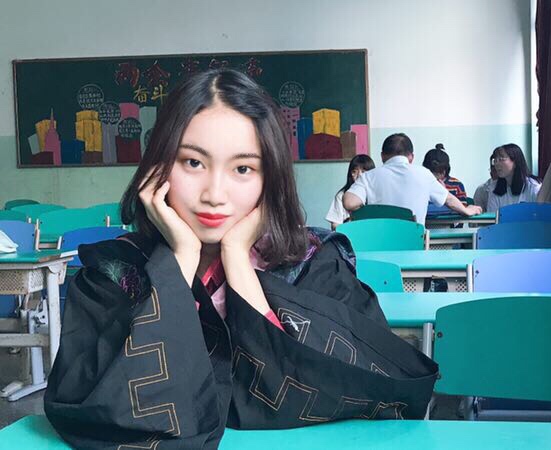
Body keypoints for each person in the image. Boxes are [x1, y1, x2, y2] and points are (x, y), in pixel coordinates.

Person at [44, 69, 437, 450]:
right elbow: (102, 408)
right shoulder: (113, 272)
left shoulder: (314, 261)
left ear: (271, 178)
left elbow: (373, 390)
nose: (215, 194)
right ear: (158, 168)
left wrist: (237, 261)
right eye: (193, 163)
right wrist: (181, 259)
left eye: (243, 168)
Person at [342, 133, 482, 224]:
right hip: (414, 245)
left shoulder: (369, 176)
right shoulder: (424, 174)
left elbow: (349, 202)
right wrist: (466, 210)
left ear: (382, 156)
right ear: (411, 157)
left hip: (380, 246)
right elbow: (449, 200)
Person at [485, 143, 541, 212]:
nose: (497, 164)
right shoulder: (494, 187)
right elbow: (493, 215)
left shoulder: (533, 187)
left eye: (501, 159)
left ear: (515, 162)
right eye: (495, 160)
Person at [325, 154, 375, 229]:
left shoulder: (377, 193)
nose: (359, 175)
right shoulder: (342, 195)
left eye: (363, 171)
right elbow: (335, 224)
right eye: (354, 171)